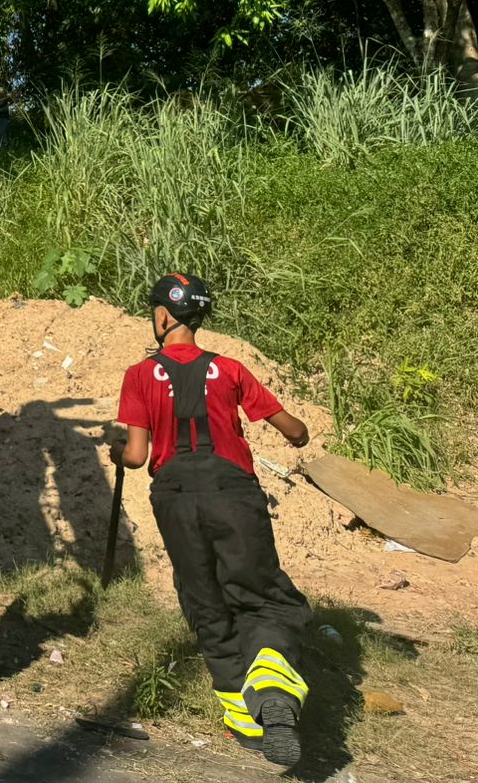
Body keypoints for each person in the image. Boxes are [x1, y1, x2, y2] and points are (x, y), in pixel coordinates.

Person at [111, 274, 314, 768]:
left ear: (163, 316)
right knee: (260, 594)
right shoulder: (230, 369)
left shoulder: (139, 375)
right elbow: (297, 432)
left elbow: (136, 457)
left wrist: (116, 447)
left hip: (176, 498)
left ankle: (246, 723)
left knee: (204, 598)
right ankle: (273, 692)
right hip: (233, 493)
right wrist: (286, 426)